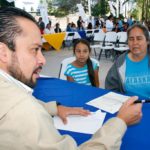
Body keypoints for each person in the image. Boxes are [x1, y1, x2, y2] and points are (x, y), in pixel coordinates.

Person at [0, 7, 142, 150]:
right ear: (3, 52)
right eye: (35, 49)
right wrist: (120, 122)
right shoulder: (23, 112)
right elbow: (21, 108)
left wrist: (54, 108)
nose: (43, 60)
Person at [105, 23, 150, 98]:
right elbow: (111, 88)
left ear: (147, 41)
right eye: (131, 39)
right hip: (128, 106)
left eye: (139, 38)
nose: (135, 43)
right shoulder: (120, 62)